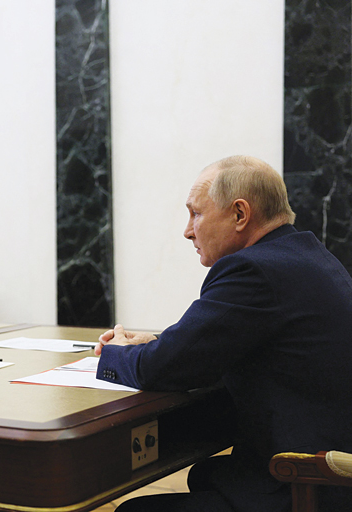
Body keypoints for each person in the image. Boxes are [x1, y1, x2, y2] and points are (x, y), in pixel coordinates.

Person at [95, 156, 352, 512]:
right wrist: (157, 343)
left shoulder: (253, 269)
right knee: (203, 475)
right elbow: (224, 343)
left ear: (239, 214)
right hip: (326, 462)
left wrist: (117, 351)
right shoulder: (306, 255)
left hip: (308, 483)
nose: (188, 231)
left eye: (196, 214)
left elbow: (163, 368)